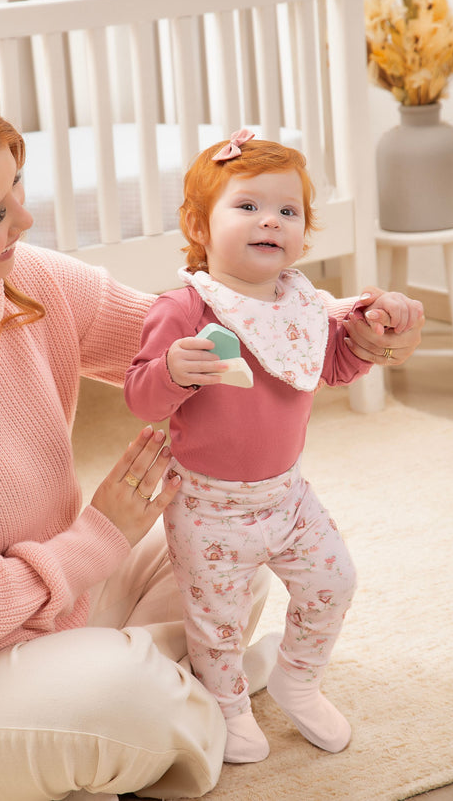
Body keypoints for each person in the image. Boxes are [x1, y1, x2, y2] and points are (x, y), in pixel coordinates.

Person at [0, 83, 423, 801]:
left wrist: (355, 325)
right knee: (129, 695)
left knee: (229, 543)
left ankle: (165, 689)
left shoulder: (24, 280)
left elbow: (212, 338)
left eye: (18, 191)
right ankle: (174, 694)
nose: (27, 220)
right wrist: (98, 536)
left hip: (46, 615)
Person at [124, 130, 420, 766]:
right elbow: (142, 400)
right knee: (216, 622)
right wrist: (174, 369)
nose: (271, 221)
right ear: (199, 226)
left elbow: (330, 365)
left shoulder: (302, 303)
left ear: (304, 232)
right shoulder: (185, 307)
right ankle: (227, 704)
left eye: (288, 211)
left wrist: (372, 327)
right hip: (208, 506)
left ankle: (298, 678)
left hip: (287, 495)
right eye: (248, 206)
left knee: (334, 580)